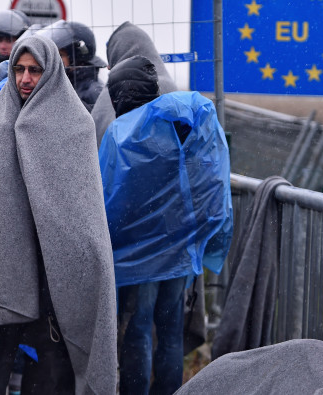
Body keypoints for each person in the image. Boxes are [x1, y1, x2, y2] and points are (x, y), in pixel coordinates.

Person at [0, 34, 117, 394]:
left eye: (34, 71)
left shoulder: (75, 126)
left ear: (51, 71)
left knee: (51, 379)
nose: (24, 79)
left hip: (52, 282)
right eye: (19, 69)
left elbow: (81, 212)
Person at [99, 55, 232, 394]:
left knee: (138, 330)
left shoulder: (120, 134)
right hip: (180, 247)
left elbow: (109, 197)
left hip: (137, 254)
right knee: (171, 329)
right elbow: (206, 181)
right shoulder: (181, 121)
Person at [91, 21, 178, 146]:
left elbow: (98, 140)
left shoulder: (113, 90)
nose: (109, 67)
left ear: (116, 54)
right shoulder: (170, 87)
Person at [36, 20, 106, 111]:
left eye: (60, 55)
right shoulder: (67, 84)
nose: (53, 60)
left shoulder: (93, 92)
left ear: (76, 57)